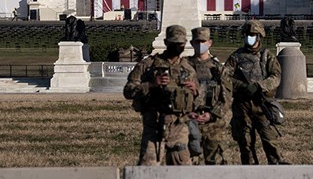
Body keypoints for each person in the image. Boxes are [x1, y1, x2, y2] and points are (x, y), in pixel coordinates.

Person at [123, 25, 199, 165]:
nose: (177, 47)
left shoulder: (188, 70)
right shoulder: (148, 65)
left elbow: (197, 101)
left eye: (180, 44)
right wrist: (151, 85)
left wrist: (195, 90)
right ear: (166, 43)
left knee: (182, 171)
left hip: (179, 126)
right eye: (173, 43)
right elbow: (128, 90)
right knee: (148, 169)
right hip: (154, 125)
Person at [224, 20, 288, 165]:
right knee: (245, 143)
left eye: (252, 35)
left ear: (259, 36)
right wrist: (241, 86)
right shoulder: (236, 57)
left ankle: (277, 168)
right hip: (242, 106)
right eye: (247, 34)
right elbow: (225, 77)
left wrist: (259, 86)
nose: (249, 37)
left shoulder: (267, 56)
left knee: (270, 141)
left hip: (262, 105)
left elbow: (276, 77)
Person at [186, 27, 232, 165]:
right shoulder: (184, 67)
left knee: (218, 167)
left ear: (209, 42)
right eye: (197, 41)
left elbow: (227, 98)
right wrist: (189, 114)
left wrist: (211, 115)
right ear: (192, 43)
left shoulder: (219, 69)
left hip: (215, 125)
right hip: (190, 123)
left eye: (203, 41)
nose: (200, 45)